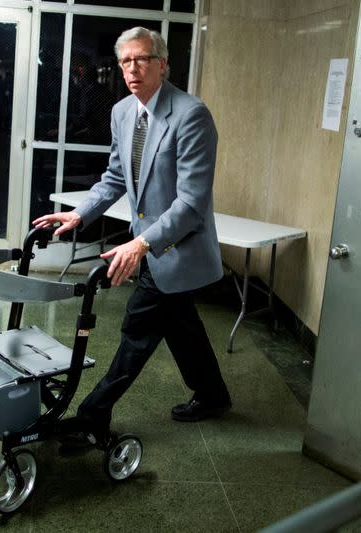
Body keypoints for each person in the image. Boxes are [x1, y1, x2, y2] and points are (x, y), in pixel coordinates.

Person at [33, 27, 231, 443]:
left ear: (163, 63)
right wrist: (80, 214)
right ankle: (213, 395)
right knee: (181, 326)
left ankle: (92, 415)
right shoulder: (123, 112)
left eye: (141, 59)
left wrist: (141, 244)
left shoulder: (191, 115)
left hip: (173, 248)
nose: (132, 69)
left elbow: (192, 203)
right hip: (149, 246)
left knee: (137, 332)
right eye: (125, 61)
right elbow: (115, 177)